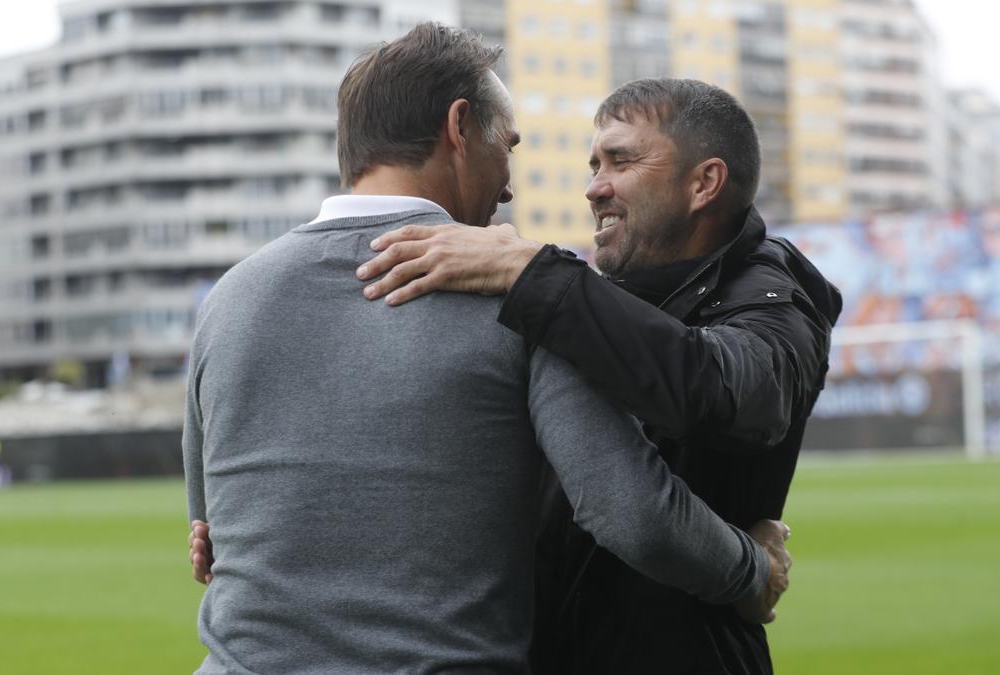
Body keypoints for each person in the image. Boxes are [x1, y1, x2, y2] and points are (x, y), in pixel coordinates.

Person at [183, 26, 790, 674]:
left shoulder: (227, 300)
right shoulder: (514, 294)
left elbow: (209, 535)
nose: (507, 189)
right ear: (459, 127)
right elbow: (633, 515)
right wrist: (753, 571)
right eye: (508, 147)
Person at [349, 78, 843, 674]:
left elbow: (731, 393)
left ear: (704, 184)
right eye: (593, 164)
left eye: (621, 160)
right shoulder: (600, 302)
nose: (594, 187)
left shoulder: (771, 296)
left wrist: (534, 272)